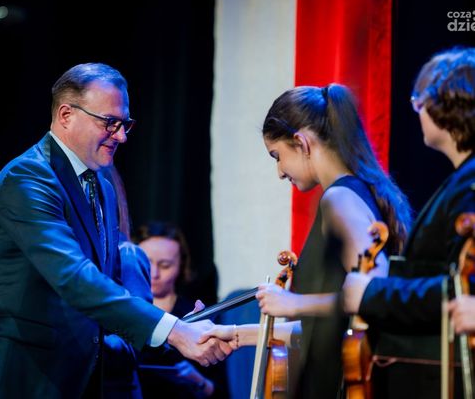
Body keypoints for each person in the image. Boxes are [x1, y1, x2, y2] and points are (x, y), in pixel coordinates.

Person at [0, 63, 232, 399]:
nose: (121, 136)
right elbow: (74, 278)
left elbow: (108, 287)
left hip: (78, 380)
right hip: (21, 380)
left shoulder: (102, 186)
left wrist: (178, 326)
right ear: (66, 115)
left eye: (125, 123)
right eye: (109, 122)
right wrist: (173, 330)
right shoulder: (27, 179)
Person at [202, 83, 412, 398]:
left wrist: (295, 302)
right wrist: (234, 333)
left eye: (277, 156)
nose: (279, 171)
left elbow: (376, 293)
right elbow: (327, 327)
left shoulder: (339, 199)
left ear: (301, 142)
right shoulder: (351, 193)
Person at [342, 46, 475, 398]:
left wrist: (371, 293)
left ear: (442, 103)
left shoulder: (470, 184)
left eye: (418, 102)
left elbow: (461, 288)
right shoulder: (462, 179)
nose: (416, 112)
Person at [134, 221, 230, 398]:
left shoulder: (198, 316)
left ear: (181, 266)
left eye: (165, 265)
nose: (154, 274)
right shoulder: (122, 312)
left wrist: (196, 380)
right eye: (146, 262)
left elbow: (221, 393)